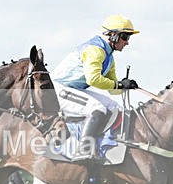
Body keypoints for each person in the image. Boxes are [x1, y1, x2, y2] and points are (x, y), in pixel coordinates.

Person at [50, 15, 140, 163]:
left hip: (73, 89)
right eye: (125, 37)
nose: (127, 42)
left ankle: (102, 145)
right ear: (113, 35)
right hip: (58, 89)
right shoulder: (95, 50)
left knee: (113, 106)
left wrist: (125, 86)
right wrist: (118, 85)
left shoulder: (109, 57)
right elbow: (94, 79)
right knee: (96, 108)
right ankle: (83, 150)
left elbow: (112, 88)